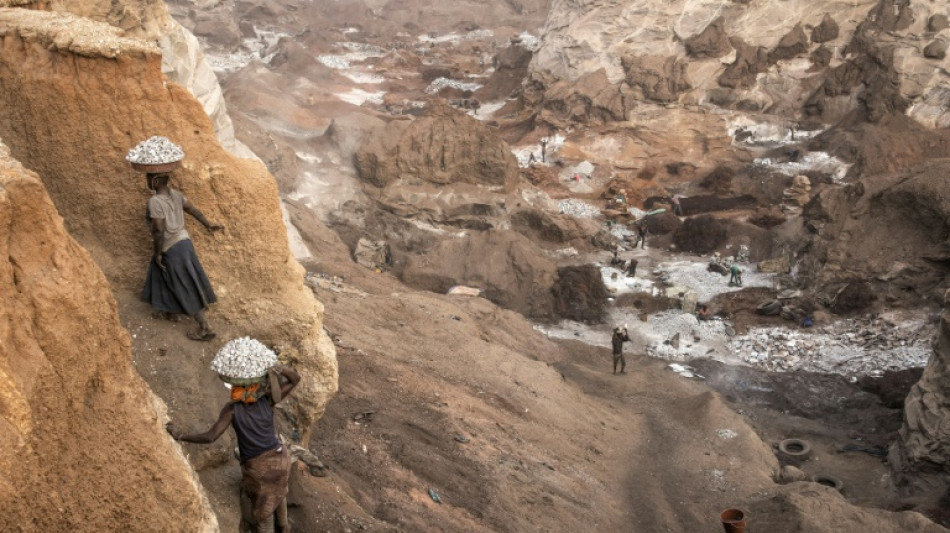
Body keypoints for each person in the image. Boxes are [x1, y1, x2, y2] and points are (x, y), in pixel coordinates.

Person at [167, 365, 301, 533]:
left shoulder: (232, 409)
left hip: (261, 470)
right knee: (279, 493)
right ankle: (284, 527)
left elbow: (210, 436)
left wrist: (180, 435)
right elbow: (295, 379)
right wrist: (278, 367)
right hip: (282, 460)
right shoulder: (267, 400)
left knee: (264, 518)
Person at [141, 172, 223, 341]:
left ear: (155, 181)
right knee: (161, 275)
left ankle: (205, 328)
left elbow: (158, 229)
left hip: (172, 247)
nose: (147, 181)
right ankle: (171, 311)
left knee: (184, 285)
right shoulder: (177, 195)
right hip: (185, 243)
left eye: (148, 178)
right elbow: (192, 210)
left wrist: (158, 253)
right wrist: (208, 224)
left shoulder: (155, 202)